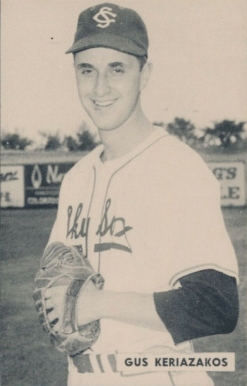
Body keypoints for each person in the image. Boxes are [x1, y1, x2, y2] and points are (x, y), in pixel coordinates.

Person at [41, 3, 239, 385]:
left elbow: (217, 306)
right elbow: (56, 281)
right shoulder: (77, 179)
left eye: (117, 68)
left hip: (154, 374)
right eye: (87, 70)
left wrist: (98, 303)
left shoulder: (177, 167)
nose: (100, 88)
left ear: (144, 74)